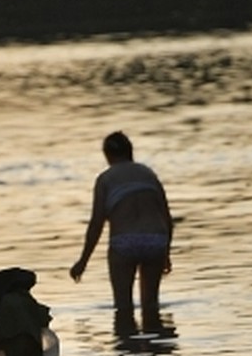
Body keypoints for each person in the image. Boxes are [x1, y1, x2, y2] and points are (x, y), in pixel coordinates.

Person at [69, 131, 174, 333]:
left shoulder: (105, 179)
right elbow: (166, 217)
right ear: (130, 152)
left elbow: (97, 223)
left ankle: (129, 353)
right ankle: (155, 353)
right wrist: (166, 253)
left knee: (123, 307)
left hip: (124, 243)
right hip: (155, 240)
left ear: (107, 155)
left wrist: (83, 261)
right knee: (151, 305)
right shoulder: (149, 174)